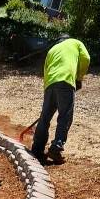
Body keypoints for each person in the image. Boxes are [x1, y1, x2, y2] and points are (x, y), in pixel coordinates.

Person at [31, 34, 90, 164]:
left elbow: (45, 70)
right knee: (65, 116)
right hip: (66, 81)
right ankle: (56, 148)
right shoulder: (75, 42)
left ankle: (37, 148)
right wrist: (79, 78)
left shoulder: (52, 50)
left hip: (50, 83)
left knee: (45, 117)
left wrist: (49, 90)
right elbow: (86, 58)